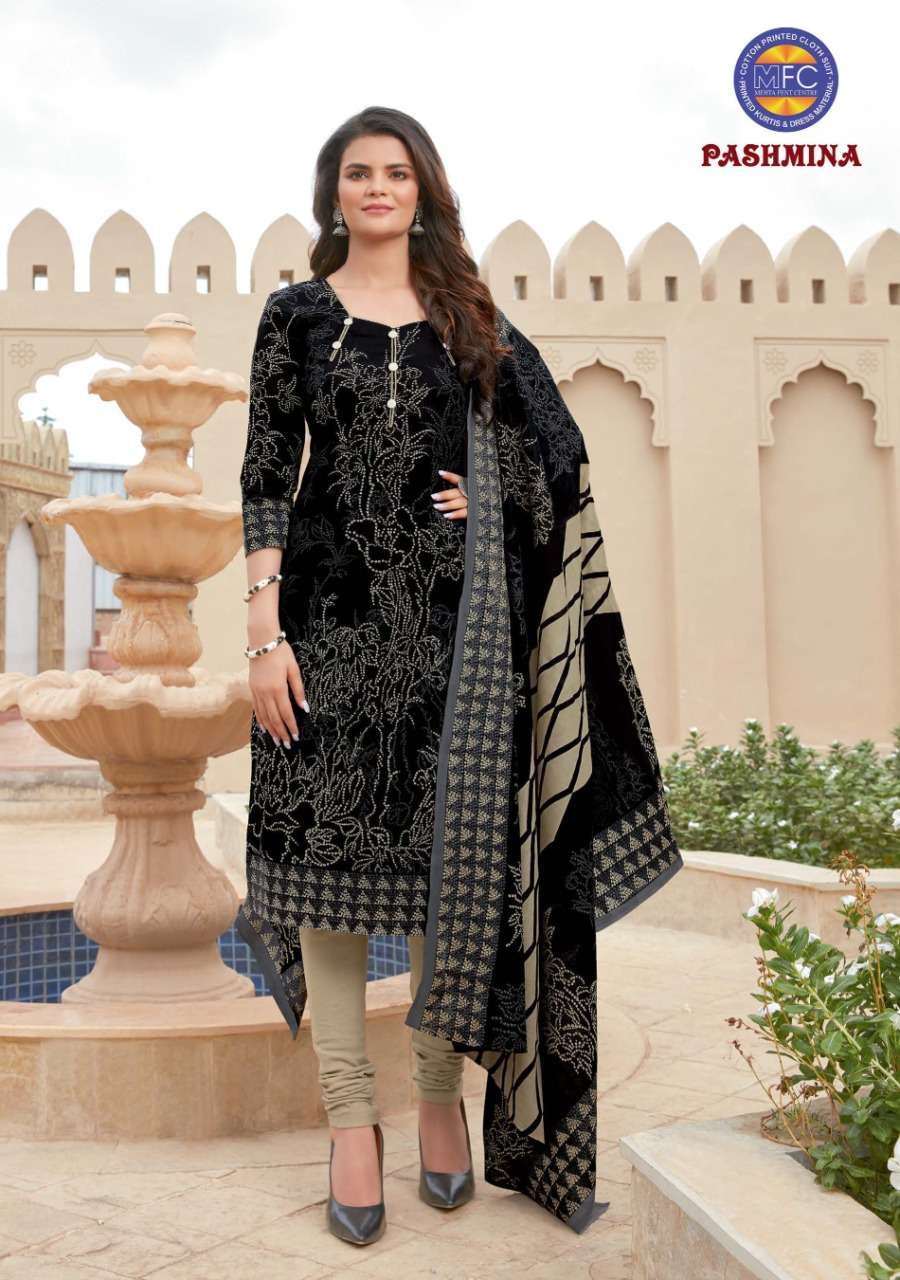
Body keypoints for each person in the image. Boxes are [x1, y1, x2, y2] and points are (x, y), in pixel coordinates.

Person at [236, 105, 684, 1246]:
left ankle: (438, 1095)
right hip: (324, 634)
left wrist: (496, 500)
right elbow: (266, 474)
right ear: (335, 193)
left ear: (422, 190)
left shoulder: (470, 317)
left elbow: (557, 456)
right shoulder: (295, 316)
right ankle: (351, 1120)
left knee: (455, 870)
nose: (376, 188)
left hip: (456, 644)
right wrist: (263, 631)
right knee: (325, 872)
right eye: (357, 172)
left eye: (396, 172)